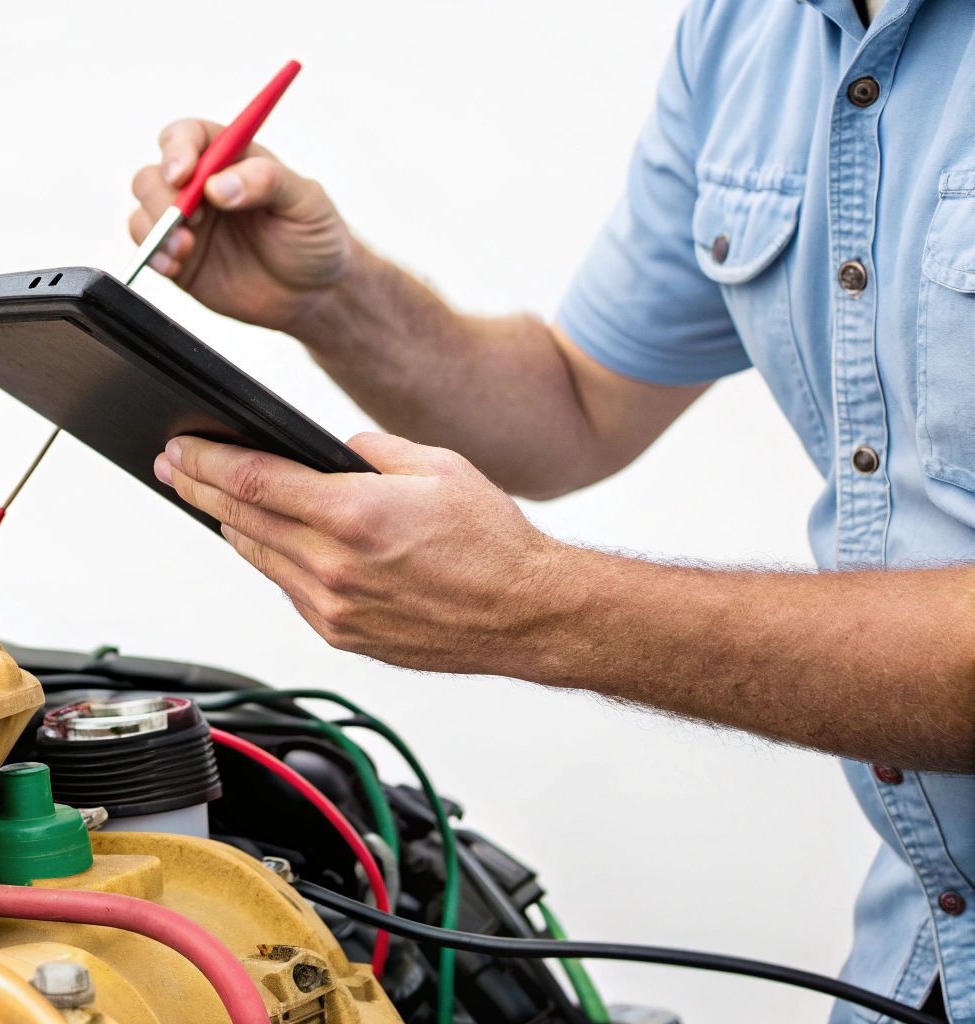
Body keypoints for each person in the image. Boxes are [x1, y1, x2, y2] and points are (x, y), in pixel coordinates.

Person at [130, 1, 974, 1020]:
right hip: (917, 950)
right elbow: (570, 406)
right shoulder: (746, 33)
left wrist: (532, 605)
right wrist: (329, 297)